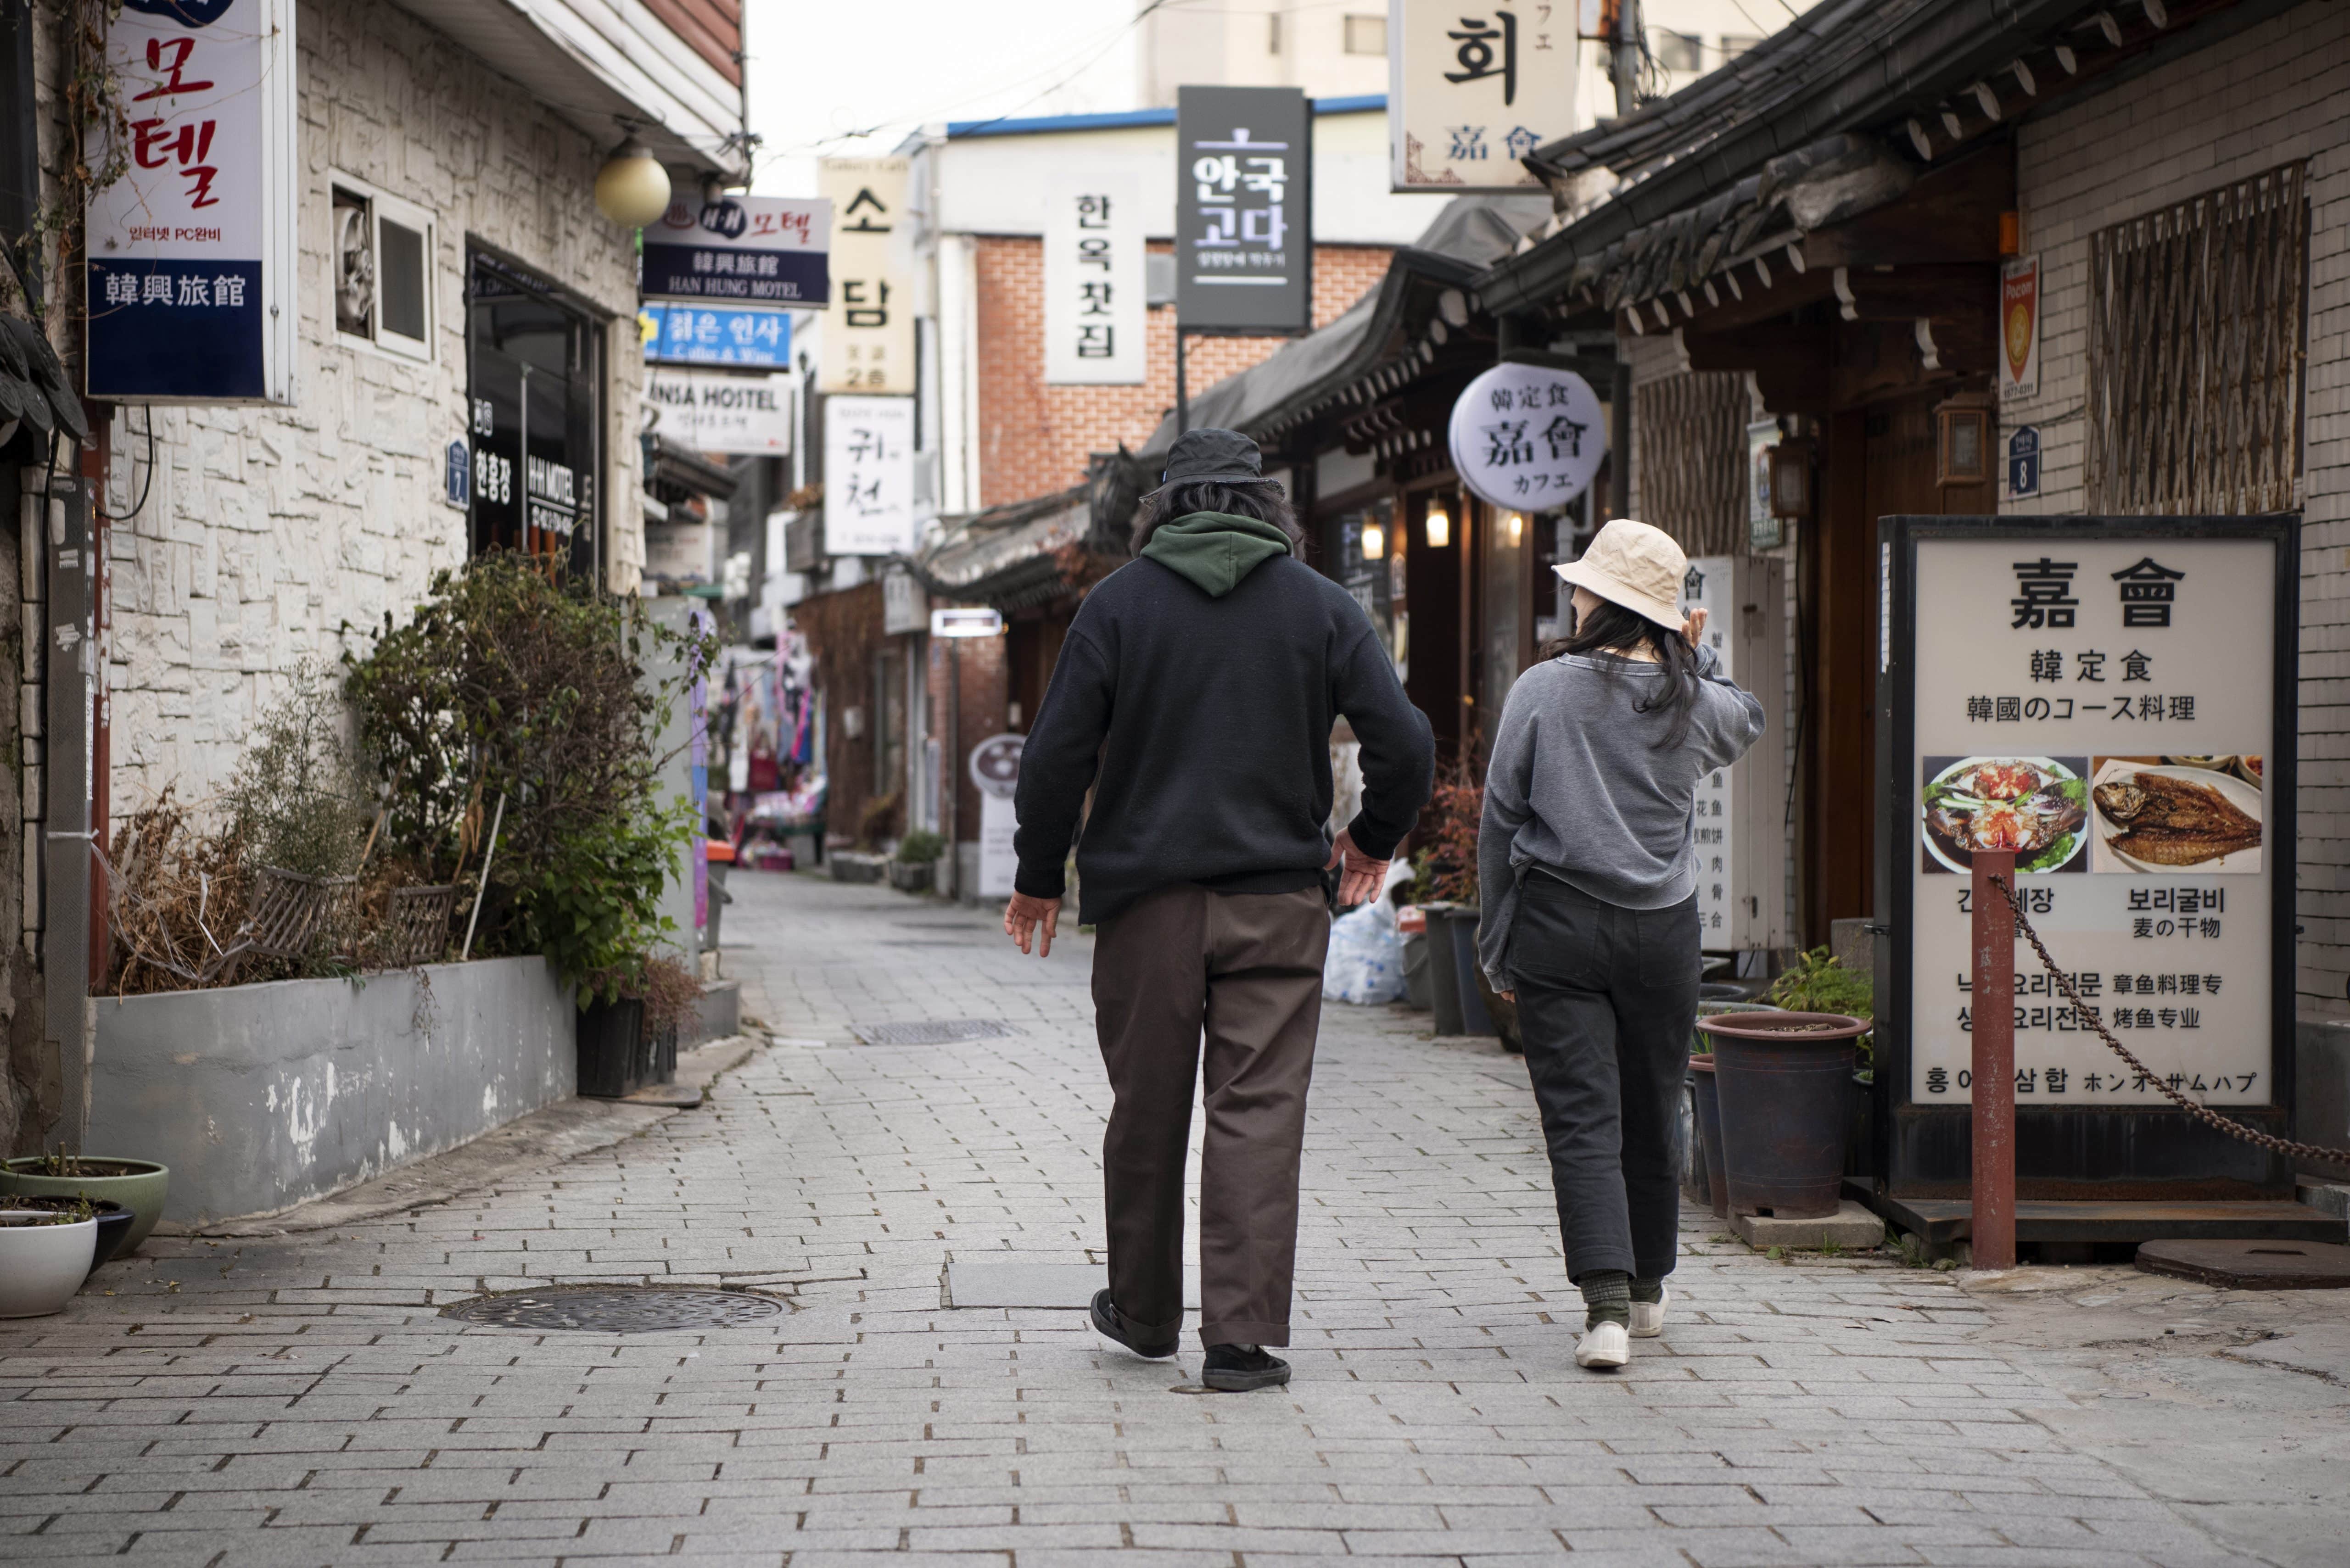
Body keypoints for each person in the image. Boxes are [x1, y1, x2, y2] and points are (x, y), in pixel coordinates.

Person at [1003, 428, 1434, 1392]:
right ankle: (1239, 1340)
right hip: (1278, 901)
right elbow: (1404, 742)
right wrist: (1371, 837)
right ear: (1270, 512)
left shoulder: (1115, 607)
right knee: (1258, 1111)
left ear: (1160, 512)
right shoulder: (1323, 608)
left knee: (1147, 1106)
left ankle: (1148, 1313)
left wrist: (1038, 874)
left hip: (1146, 904)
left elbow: (1053, 757)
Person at [1476, 518, 1765, 1371]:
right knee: (1653, 1101)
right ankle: (1646, 1291)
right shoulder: (1694, 699)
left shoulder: (1544, 689)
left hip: (1558, 923)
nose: (1571, 594)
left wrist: (1496, 940)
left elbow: (1502, 819)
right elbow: (1746, 717)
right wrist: (1696, 655)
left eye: (1581, 586)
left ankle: (1602, 1307)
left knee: (1580, 1116)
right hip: (1665, 930)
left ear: (1601, 603)